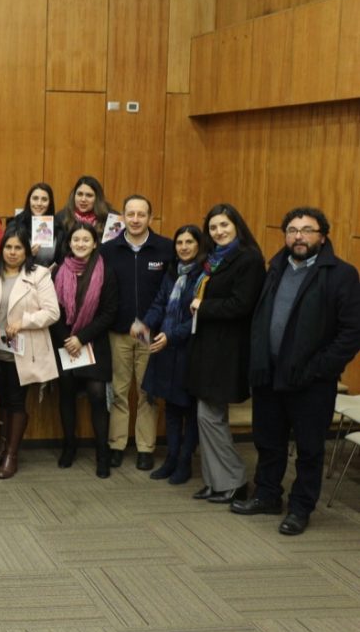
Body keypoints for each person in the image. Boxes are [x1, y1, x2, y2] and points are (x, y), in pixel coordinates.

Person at [231, 207, 360, 535]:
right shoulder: (275, 267)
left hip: (311, 381)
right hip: (269, 375)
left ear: (322, 236)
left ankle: (301, 508)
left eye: (307, 230)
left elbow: (351, 333)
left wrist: (319, 369)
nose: (298, 236)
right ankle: (267, 496)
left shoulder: (341, 274)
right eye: (292, 230)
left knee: (309, 449)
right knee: (268, 442)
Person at [186, 203, 264, 505]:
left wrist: (202, 306)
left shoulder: (249, 259)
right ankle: (215, 481)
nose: (218, 231)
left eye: (224, 225)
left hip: (227, 351)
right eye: (213, 227)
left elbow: (242, 305)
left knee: (210, 416)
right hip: (207, 347)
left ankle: (234, 480)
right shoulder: (211, 260)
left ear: (236, 226)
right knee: (206, 416)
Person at [100, 194, 173, 470]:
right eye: (130, 214)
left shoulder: (165, 248)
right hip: (118, 332)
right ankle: (116, 445)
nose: (135, 219)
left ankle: (145, 447)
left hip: (150, 334)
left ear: (150, 217)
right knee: (119, 391)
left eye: (141, 214)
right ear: (122, 217)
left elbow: (170, 293)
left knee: (147, 392)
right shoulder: (108, 250)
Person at [0, 224, 59, 479]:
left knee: (16, 400)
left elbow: (52, 312)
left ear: (27, 251)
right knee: (2, 399)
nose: (12, 252)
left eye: (18, 248)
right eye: (8, 247)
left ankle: (12, 456)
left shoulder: (39, 275)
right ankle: (1, 450)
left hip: (23, 351)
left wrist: (23, 322)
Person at [137, 225, 203, 485]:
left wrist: (171, 335)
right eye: (179, 242)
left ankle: (185, 462)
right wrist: (145, 324)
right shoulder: (172, 272)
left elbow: (197, 318)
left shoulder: (205, 275)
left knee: (189, 410)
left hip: (190, 350)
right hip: (167, 350)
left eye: (189, 242)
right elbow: (160, 304)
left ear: (199, 245)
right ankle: (171, 459)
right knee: (172, 408)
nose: (184, 247)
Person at [51, 222, 118, 477]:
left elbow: (109, 312)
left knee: (97, 396)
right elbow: (53, 310)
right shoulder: (58, 271)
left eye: (86, 240)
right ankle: (69, 446)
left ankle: (102, 453)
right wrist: (68, 339)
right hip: (65, 343)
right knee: (66, 394)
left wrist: (81, 338)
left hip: (94, 342)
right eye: (76, 239)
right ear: (69, 243)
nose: (81, 244)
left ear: (95, 243)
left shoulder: (106, 271)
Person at [15, 182, 57, 266]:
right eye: (35, 198)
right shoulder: (16, 225)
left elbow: (61, 258)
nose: (39, 203)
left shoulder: (58, 226)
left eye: (44, 199)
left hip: (49, 273)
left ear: (50, 203)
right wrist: (28, 255)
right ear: (29, 201)